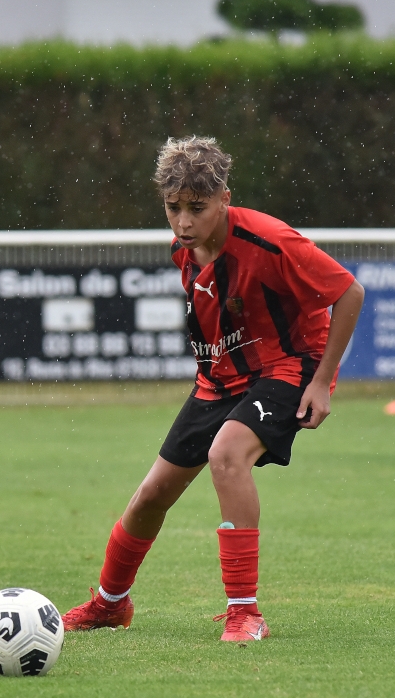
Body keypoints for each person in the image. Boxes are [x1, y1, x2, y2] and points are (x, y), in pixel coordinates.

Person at [61, 136, 364, 642]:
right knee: (151, 495)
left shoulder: (271, 240)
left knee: (226, 455)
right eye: (173, 208)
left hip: (287, 367)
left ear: (224, 198)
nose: (183, 222)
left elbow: (349, 292)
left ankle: (245, 612)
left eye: (196, 208)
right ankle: (109, 604)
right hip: (219, 379)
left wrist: (321, 382)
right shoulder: (184, 251)